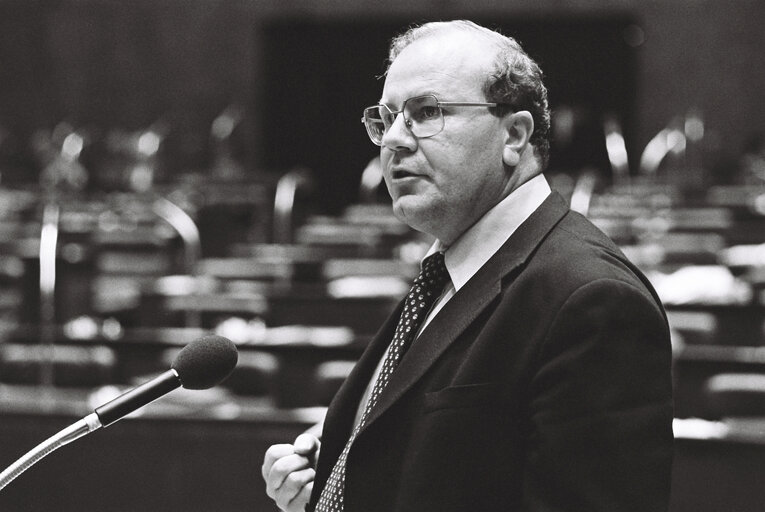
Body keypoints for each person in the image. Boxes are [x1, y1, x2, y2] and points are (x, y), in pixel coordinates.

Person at [262, 19, 673, 512]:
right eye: (387, 117)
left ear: (514, 135)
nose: (394, 139)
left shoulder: (592, 299)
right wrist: (342, 469)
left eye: (426, 112)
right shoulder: (449, 266)